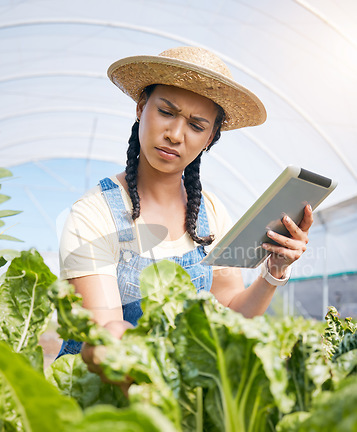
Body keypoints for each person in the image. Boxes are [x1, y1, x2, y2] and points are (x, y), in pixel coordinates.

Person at [57, 46, 312, 372]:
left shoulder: (211, 213)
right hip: (101, 405)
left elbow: (231, 313)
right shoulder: (93, 213)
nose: (175, 135)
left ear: (210, 138)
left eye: (196, 125)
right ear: (140, 108)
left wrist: (274, 269)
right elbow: (106, 345)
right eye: (166, 111)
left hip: (179, 395)